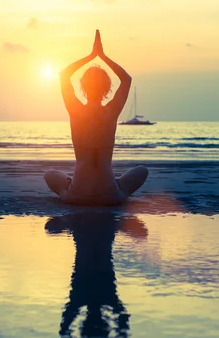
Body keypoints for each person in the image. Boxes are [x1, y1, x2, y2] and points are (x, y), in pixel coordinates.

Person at [44, 30, 149, 206]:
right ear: (107, 88)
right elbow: (126, 79)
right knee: (142, 170)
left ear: (83, 87)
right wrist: (102, 56)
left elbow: (64, 75)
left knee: (50, 174)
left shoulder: (75, 110)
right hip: (109, 196)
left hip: (77, 195)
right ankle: (117, 186)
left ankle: (67, 189)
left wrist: (90, 56)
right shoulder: (111, 111)